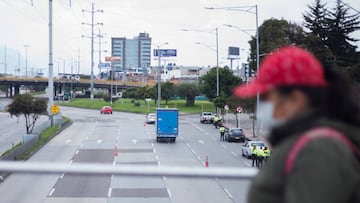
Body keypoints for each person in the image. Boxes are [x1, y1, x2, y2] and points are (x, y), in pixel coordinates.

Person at [234, 46, 360, 203]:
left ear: (295, 99)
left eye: (266, 96)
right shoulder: (304, 141)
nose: (261, 103)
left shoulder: (319, 149)